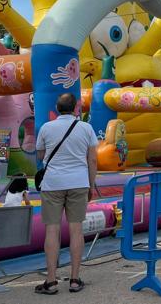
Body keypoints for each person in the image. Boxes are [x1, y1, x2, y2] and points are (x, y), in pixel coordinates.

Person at [35, 93, 98, 294]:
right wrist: (90, 185)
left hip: (52, 184)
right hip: (79, 183)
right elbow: (93, 161)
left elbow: (41, 154)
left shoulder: (46, 127)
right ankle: (74, 279)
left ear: (57, 107)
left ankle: (51, 281)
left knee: (52, 230)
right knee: (76, 230)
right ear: (76, 108)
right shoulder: (86, 128)